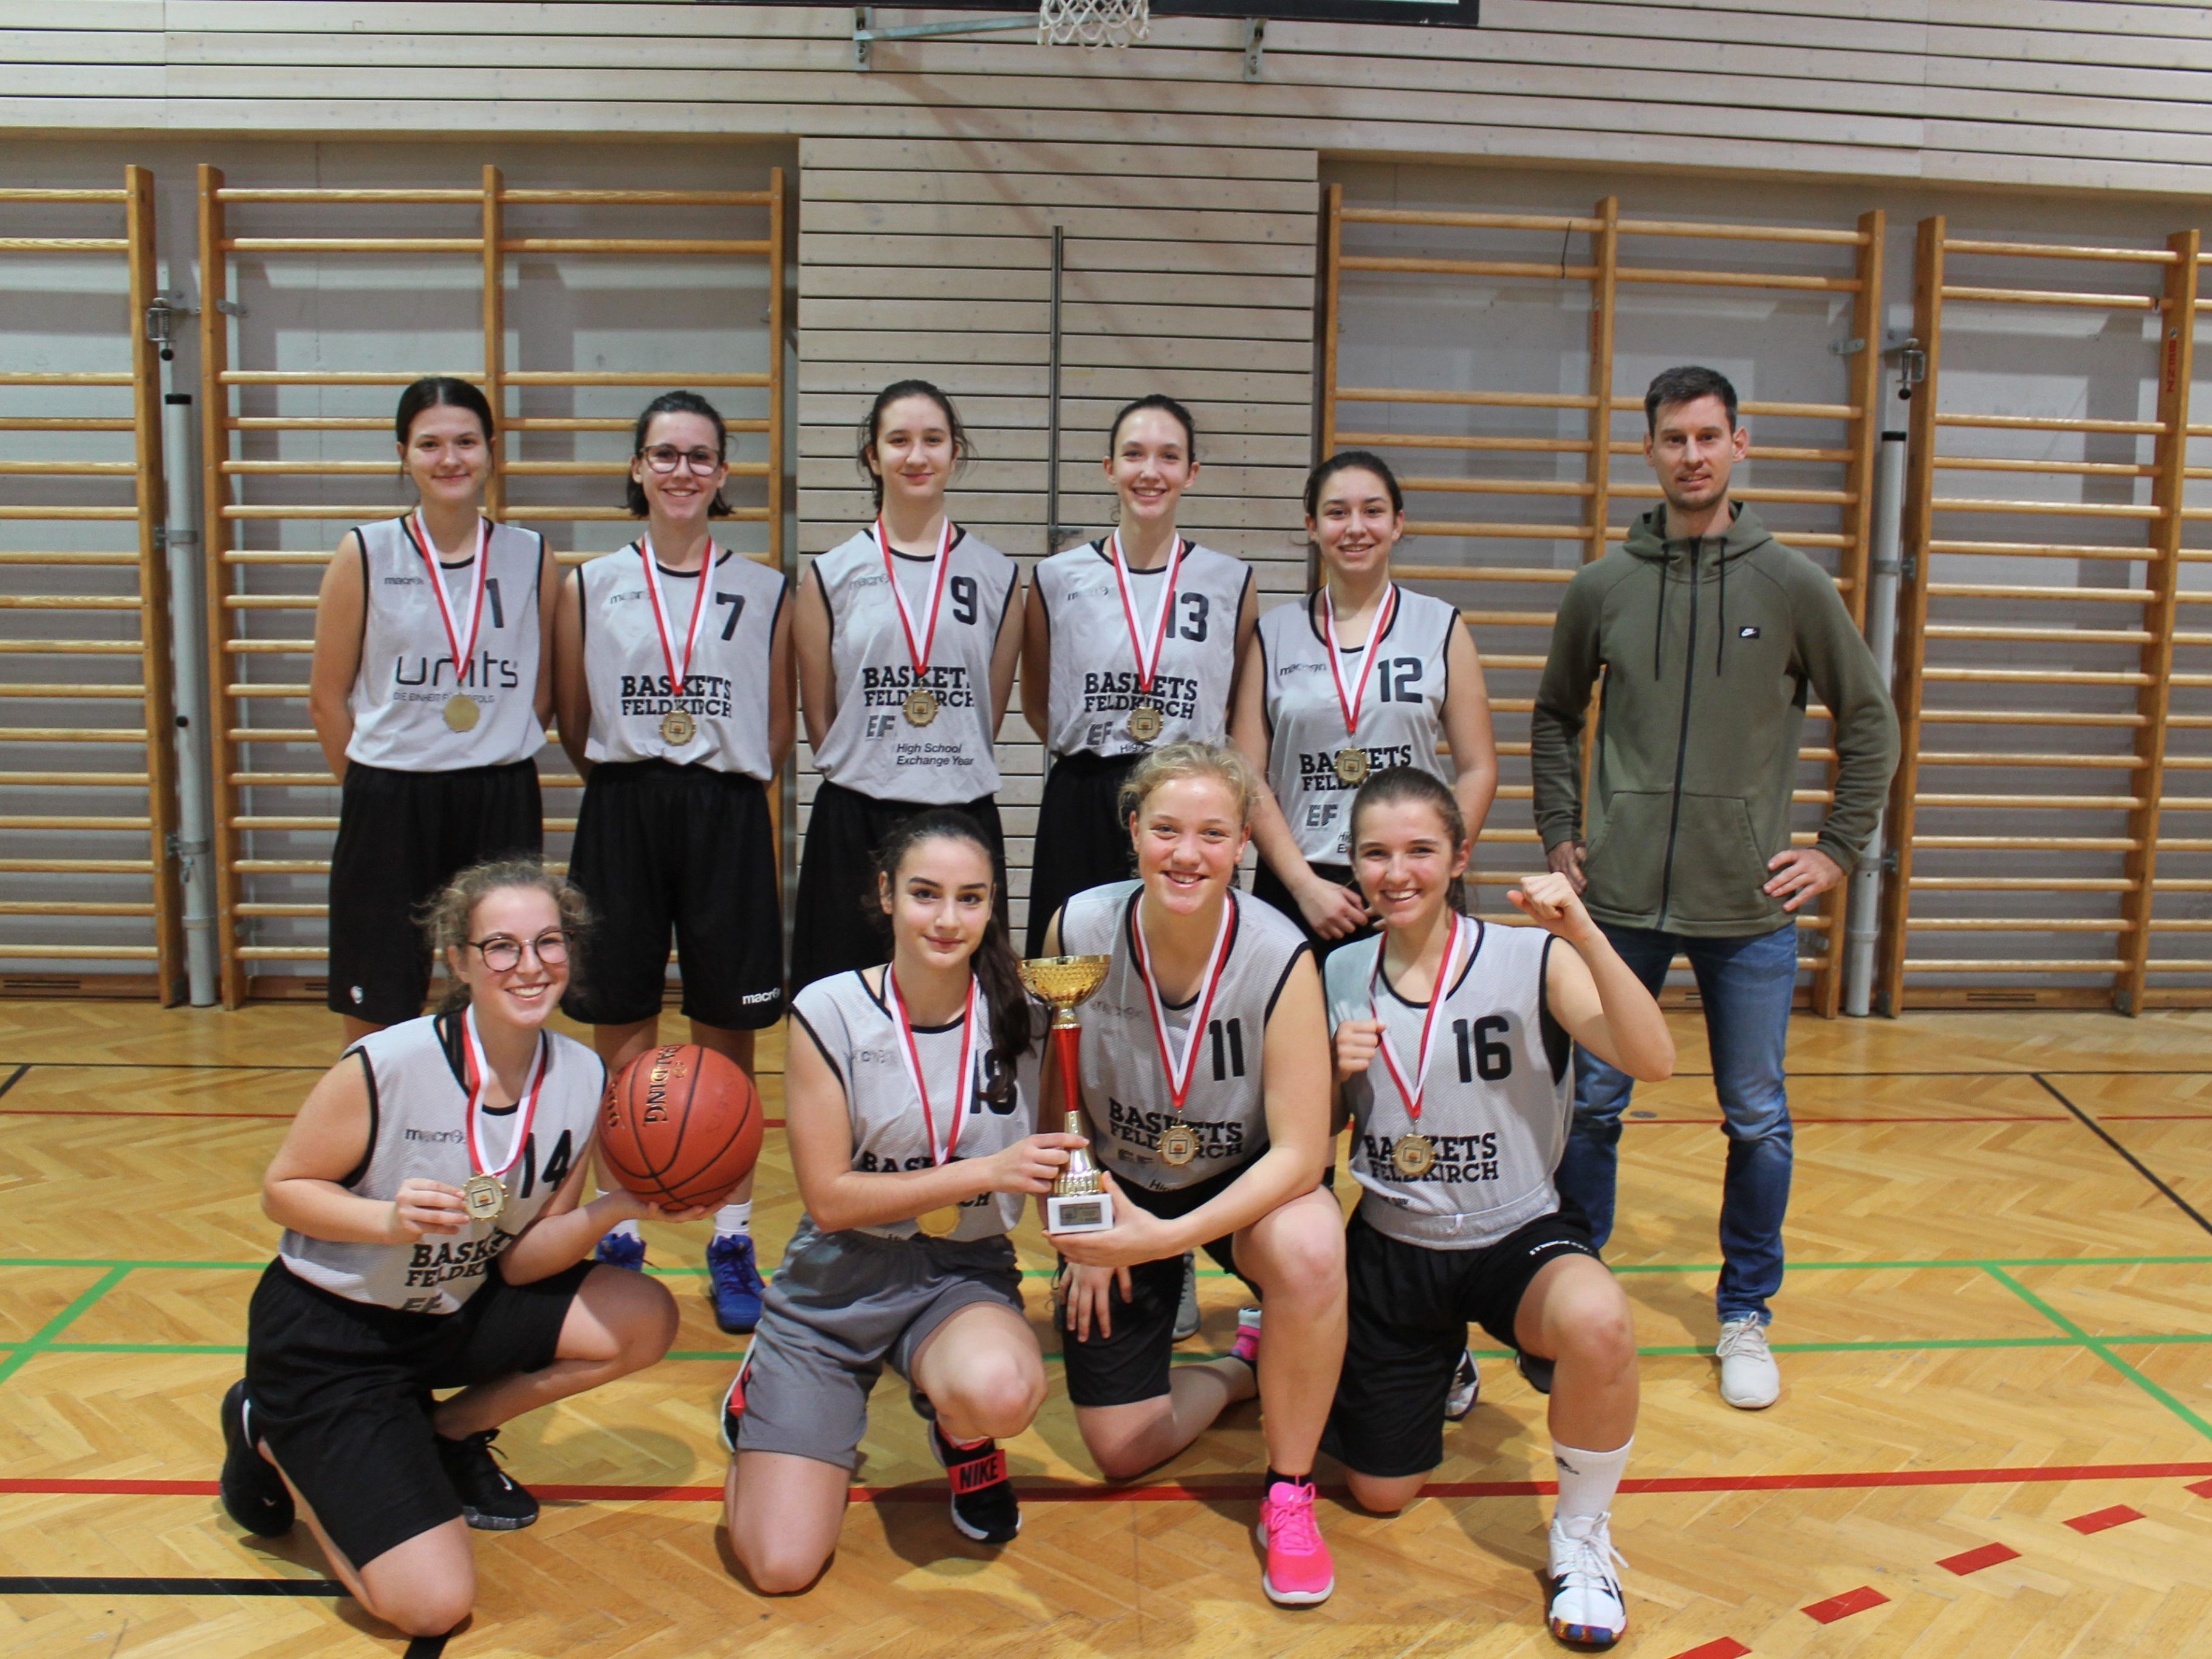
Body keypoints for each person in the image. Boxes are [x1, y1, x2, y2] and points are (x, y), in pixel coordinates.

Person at [1531, 364, 1899, 1411]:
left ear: (1742, 444)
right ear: (1647, 450)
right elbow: (1555, 715)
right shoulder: (1603, 586)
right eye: (1671, 438)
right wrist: (1562, 831)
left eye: (1707, 435)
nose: (1690, 454)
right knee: (1591, 1106)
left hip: (1747, 909)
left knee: (1756, 1118)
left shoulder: (1792, 583)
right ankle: (1571, 1288)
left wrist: (1833, 848)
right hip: (1619, 905)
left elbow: (1869, 718)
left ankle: (1746, 1311)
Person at [217, 859, 700, 1641]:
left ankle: (445, 1433)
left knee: (639, 1313)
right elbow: (283, 1189)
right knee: (430, 1605)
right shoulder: (388, 1063)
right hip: (334, 1333)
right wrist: (386, 1220)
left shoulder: (579, 1076)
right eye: (501, 946)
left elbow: (523, 1260)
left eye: (548, 942)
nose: (529, 964)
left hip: (452, 1309)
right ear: (461, 959)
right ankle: (266, 1428)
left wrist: (625, 1204)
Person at [1322, 767, 1673, 1649]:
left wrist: (1586, 932)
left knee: (1598, 1319)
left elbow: (1653, 1056)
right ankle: (1445, 1358)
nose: (1395, 871)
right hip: (1393, 1242)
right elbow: (1314, 1128)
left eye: (1418, 850)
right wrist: (1330, 1072)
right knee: (1379, 1491)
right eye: (1375, 852)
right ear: (1353, 862)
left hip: (1513, 1231)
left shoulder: (1531, 955)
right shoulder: (1336, 968)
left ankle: (1582, 1537)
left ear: (1458, 855)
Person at [720, 812, 1081, 1590]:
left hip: (958, 1272)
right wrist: (985, 1172)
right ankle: (768, 1391)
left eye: (969, 898)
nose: (947, 919)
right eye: (924, 893)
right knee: (779, 1565)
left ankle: (965, 1437)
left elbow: (1059, 1149)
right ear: (885, 894)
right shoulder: (828, 1009)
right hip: (839, 1276)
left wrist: (1090, 1246)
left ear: (992, 905)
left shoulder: (1030, 1009)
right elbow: (830, 1199)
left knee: (1002, 1390)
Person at [1040, 741, 1346, 1607]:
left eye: (1212, 833)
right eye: (1166, 828)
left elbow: (1301, 1151)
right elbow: (1052, 1111)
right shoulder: (1080, 928)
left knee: (1312, 1242)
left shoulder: (1281, 952)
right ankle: (1242, 1364)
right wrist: (1082, 1229)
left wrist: (1165, 1236)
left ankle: (1287, 1492)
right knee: (1120, 1447)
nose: (1187, 852)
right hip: (1120, 1179)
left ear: (1244, 841)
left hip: (1235, 1177)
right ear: (1131, 828)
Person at [553, 390, 793, 1334]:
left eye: (700, 456)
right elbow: (574, 716)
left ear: (724, 473)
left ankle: (732, 1233)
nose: (682, 470)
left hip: (728, 806)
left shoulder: (769, 586)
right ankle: (622, 1229)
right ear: (638, 469)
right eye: (665, 454)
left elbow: (777, 724)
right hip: (622, 801)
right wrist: (630, 777)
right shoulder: (589, 582)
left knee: (724, 1025)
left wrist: (725, 781)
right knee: (621, 1022)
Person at [309, 378, 554, 1047]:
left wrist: (490, 742)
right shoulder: (364, 553)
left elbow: (542, 686)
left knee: (497, 979)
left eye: (466, 442)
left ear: (491, 451)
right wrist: (375, 784)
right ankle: (381, 1130)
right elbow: (327, 696)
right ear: (404, 454)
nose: (451, 459)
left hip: (496, 791)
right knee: (380, 983)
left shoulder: (532, 556)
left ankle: (485, 1130)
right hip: (390, 798)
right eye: (431, 444)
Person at [791, 380, 1024, 993]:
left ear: (954, 454)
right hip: (857, 815)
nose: (915, 456)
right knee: (841, 999)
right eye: (898, 440)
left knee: (964, 1003)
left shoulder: (998, 577)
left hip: (958, 809)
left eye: (932, 440)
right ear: (873, 456)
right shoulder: (830, 575)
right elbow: (822, 718)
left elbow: (986, 709)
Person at [1234, 450, 1498, 957]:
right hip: (1302, 885)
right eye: (1336, 512)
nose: (1355, 527)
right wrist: (1302, 886)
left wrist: (1434, 865)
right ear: (1312, 525)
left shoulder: (1440, 626)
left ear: (1397, 523)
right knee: (1299, 1037)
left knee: (1411, 1036)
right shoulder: (1272, 633)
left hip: (1408, 883)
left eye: (1372, 511)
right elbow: (1248, 776)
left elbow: (1478, 767)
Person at [1021, 394, 1256, 957]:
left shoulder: (1230, 580)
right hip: (1085, 793)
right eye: (1133, 454)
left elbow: (1234, 703)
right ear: (1109, 468)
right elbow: (1038, 702)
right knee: (1071, 968)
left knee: (1189, 963)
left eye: (1168, 457)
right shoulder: (1056, 577)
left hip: (1188, 800)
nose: (1150, 472)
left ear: (1191, 473)